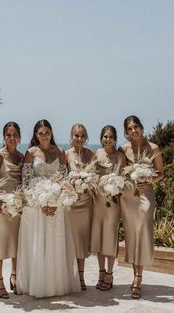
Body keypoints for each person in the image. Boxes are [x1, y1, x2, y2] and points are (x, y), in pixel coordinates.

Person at [16, 119, 80, 298]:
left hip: (56, 207)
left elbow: (64, 181)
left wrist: (55, 202)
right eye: (40, 133)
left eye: (47, 132)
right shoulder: (30, 152)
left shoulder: (59, 151)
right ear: (36, 135)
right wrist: (41, 202)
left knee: (54, 245)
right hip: (36, 208)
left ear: (52, 133)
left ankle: (55, 284)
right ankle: (37, 284)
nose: (44, 136)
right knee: (38, 244)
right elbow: (26, 183)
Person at [120, 115, 163, 299]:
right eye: (129, 129)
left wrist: (149, 179)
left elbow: (161, 173)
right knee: (131, 234)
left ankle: (139, 277)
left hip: (146, 195)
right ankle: (135, 274)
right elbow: (119, 171)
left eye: (135, 127)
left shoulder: (153, 148)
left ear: (141, 127)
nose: (133, 131)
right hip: (128, 197)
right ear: (126, 132)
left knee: (144, 230)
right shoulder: (122, 149)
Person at [0, 122, 23, 298]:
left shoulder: (22, 157)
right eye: (8, 135)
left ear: (19, 137)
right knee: (0, 244)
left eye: (15, 134)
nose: (12, 138)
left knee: (17, 243)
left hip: (17, 208)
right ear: (4, 137)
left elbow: (23, 183)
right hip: (1, 207)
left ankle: (15, 276)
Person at [91, 125, 126, 291]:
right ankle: (101, 272)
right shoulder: (96, 154)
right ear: (101, 138)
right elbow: (92, 176)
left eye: (111, 137)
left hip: (112, 203)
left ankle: (110, 274)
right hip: (98, 202)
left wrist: (113, 188)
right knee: (99, 238)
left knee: (110, 238)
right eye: (105, 136)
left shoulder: (120, 156)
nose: (108, 139)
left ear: (115, 139)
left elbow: (123, 180)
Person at [66, 123, 94, 290]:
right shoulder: (65, 154)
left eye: (82, 135)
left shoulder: (91, 154)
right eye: (76, 135)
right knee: (69, 240)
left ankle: (81, 277)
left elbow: (95, 176)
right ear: (72, 137)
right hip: (70, 203)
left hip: (85, 202)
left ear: (86, 138)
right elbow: (62, 177)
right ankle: (69, 276)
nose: (79, 138)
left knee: (82, 240)